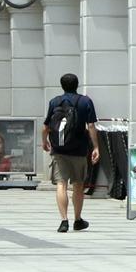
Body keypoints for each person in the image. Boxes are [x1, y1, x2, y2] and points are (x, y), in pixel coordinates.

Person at [41, 73, 100, 233]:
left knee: (61, 184)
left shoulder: (54, 102)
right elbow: (91, 126)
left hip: (59, 149)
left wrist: (44, 141)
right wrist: (96, 147)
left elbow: (46, 126)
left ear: (62, 85)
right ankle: (78, 219)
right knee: (78, 184)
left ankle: (64, 220)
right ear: (77, 84)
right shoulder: (85, 101)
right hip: (79, 149)